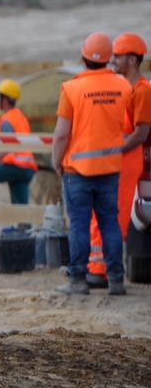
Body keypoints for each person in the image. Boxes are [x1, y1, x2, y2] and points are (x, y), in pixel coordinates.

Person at [52, 32, 131, 296]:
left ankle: (77, 280)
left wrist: (56, 161)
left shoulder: (71, 88)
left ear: (83, 56)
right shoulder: (123, 87)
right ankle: (116, 280)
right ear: (110, 58)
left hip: (78, 171)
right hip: (110, 169)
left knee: (79, 225)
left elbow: (62, 133)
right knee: (110, 222)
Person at [85, 33, 151, 288]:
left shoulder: (142, 91)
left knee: (115, 214)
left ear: (132, 60)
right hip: (117, 157)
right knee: (102, 210)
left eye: (117, 56)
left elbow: (141, 133)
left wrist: (115, 149)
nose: (112, 60)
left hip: (127, 158)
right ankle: (98, 267)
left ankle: (104, 270)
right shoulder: (122, 87)